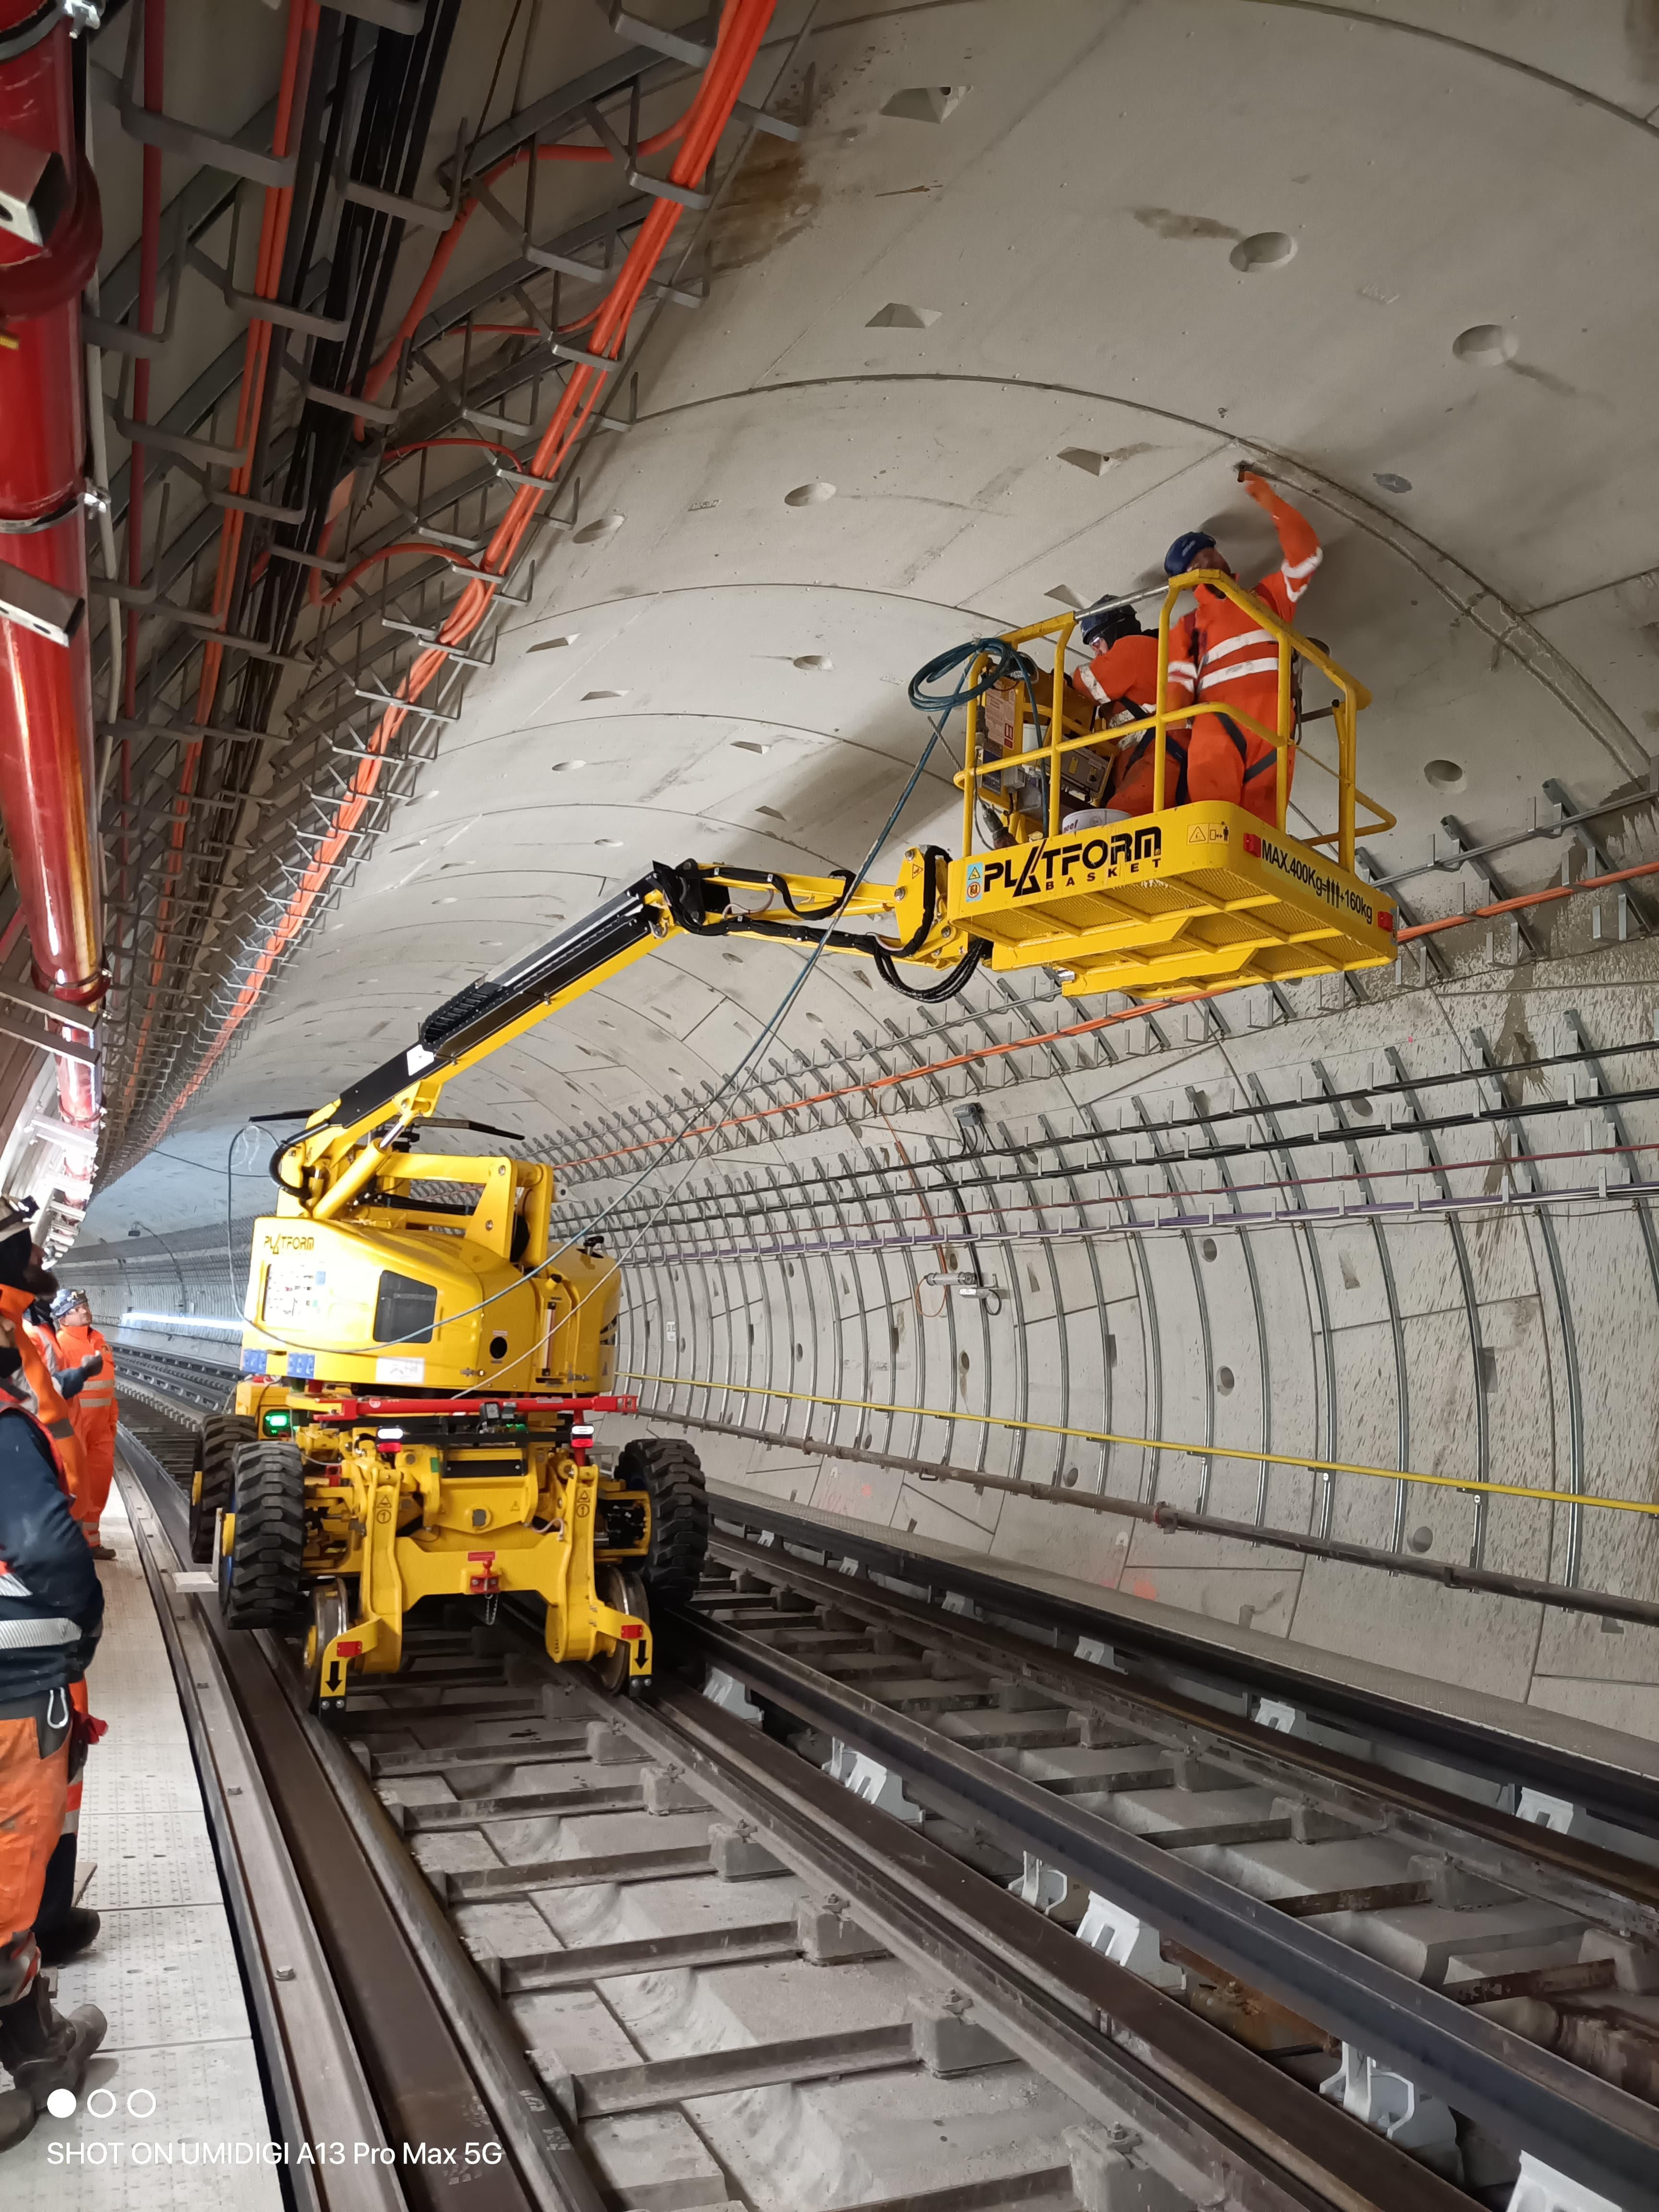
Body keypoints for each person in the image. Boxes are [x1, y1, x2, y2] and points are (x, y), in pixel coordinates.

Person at [0, 1291, 107, 2152]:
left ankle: (34, 2041)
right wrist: (78, 1634)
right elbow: (45, 1548)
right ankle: (31, 2052)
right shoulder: (3, 1428)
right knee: (7, 1868)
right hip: (12, 1683)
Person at [1160, 467, 1322, 827]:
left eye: (1210, 555)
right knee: (1212, 832)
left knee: (1261, 845)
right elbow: (1175, 702)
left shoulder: (1267, 599)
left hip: (1274, 734)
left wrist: (1273, 503)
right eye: (1197, 565)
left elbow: (1307, 555)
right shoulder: (1186, 627)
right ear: (1186, 582)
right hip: (1218, 734)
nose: (1209, 564)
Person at [1067, 602, 1173, 828]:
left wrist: (1066, 683)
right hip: (1160, 762)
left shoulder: (1134, 647)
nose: (1096, 653)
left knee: (1114, 830)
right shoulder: (1158, 651)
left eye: (1097, 643)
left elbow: (1086, 684)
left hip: (1158, 763)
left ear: (1115, 631)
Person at [50, 1293, 116, 1562]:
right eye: (77, 1310)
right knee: (75, 1486)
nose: (84, 1312)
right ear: (64, 1318)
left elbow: (109, 1386)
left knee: (99, 1485)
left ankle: (92, 1542)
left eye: (85, 1307)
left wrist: (112, 1419)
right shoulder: (62, 1345)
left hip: (101, 1428)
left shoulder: (100, 1341)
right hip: (75, 1426)